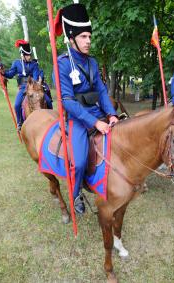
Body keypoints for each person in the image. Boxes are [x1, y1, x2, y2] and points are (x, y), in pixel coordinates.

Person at [54, 3, 118, 214]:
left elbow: (101, 90)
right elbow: (68, 102)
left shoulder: (92, 62)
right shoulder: (62, 63)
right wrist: (95, 122)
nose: (88, 41)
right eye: (83, 37)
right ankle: (75, 195)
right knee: (80, 162)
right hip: (78, 117)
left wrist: (111, 114)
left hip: (97, 111)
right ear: (71, 38)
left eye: (89, 36)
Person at [0, 40, 52, 130]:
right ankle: (20, 122)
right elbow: (10, 74)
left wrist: (34, 84)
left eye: (30, 55)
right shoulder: (16, 63)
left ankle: (51, 118)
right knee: (17, 105)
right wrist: (2, 72)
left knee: (48, 101)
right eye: (27, 55)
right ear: (22, 55)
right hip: (23, 87)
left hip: (34, 86)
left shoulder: (34, 64)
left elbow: (35, 76)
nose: (29, 57)